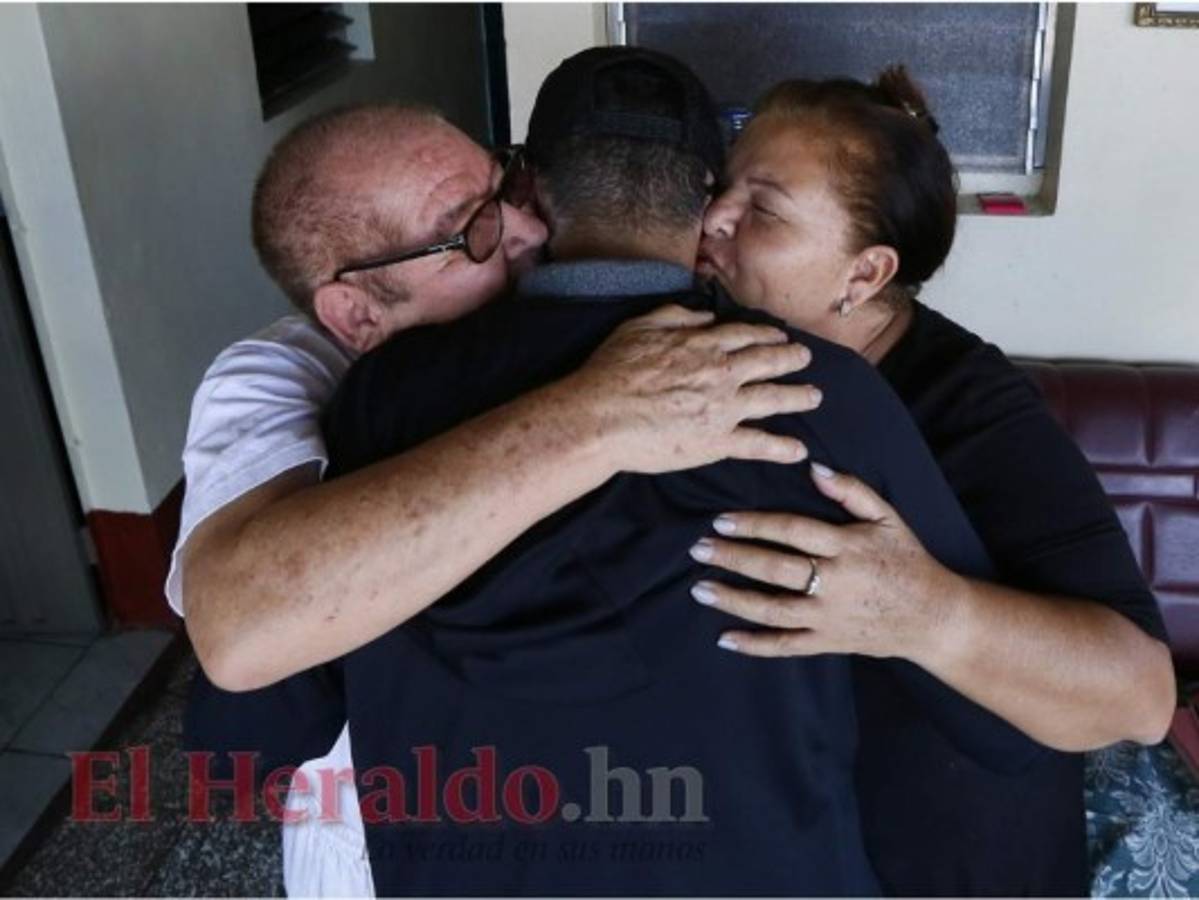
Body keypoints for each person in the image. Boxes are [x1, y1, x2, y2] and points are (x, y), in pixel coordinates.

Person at [316, 47, 1038, 896]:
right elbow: (999, 728)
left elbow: (270, 717)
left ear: (531, 192)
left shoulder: (383, 393)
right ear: (705, 201)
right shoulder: (819, 395)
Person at [172, 104, 821, 895]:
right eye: (470, 230)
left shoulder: (562, 312)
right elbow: (244, 627)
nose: (526, 226)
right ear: (355, 313)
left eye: (506, 183)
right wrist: (600, 415)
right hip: (395, 830)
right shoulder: (279, 376)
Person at [694, 67, 1176, 894]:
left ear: (865, 275)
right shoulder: (724, 346)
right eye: (719, 186)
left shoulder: (972, 409)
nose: (713, 219)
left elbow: (1139, 696)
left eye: (763, 210)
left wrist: (919, 613)